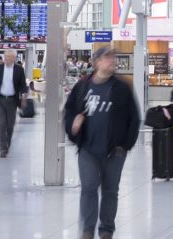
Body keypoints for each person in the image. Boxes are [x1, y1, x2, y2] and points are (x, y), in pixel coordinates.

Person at [64, 46, 140, 239]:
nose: (112, 61)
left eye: (113, 58)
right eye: (107, 58)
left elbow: (134, 117)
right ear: (96, 62)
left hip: (114, 151)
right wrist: (73, 127)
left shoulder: (122, 87)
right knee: (89, 188)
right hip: (88, 149)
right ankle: (88, 230)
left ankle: (106, 229)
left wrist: (126, 145)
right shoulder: (82, 86)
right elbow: (70, 110)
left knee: (110, 190)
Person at [0, 49, 27, 158]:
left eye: (9, 57)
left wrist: (24, 96)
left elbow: (23, 85)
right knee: (0, 124)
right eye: (6, 56)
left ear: (14, 58)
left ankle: (7, 143)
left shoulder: (19, 70)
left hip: (12, 101)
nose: (7, 59)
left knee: (10, 126)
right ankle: (3, 149)